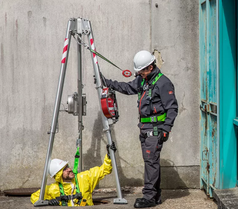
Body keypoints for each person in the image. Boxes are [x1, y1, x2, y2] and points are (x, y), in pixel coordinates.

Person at [103, 50, 178, 208]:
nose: (139, 74)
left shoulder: (163, 83)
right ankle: (155, 195)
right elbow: (127, 88)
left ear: (150, 67)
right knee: (150, 161)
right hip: (144, 128)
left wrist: (166, 129)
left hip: (155, 129)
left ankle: (149, 197)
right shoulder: (143, 80)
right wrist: (107, 82)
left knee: (151, 162)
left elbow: (172, 109)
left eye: (142, 71)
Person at [31, 143, 116, 206]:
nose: (69, 169)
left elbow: (104, 169)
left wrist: (109, 156)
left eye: (68, 166)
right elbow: (34, 196)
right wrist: (47, 202)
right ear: (58, 175)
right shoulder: (53, 189)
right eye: (65, 169)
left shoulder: (84, 178)